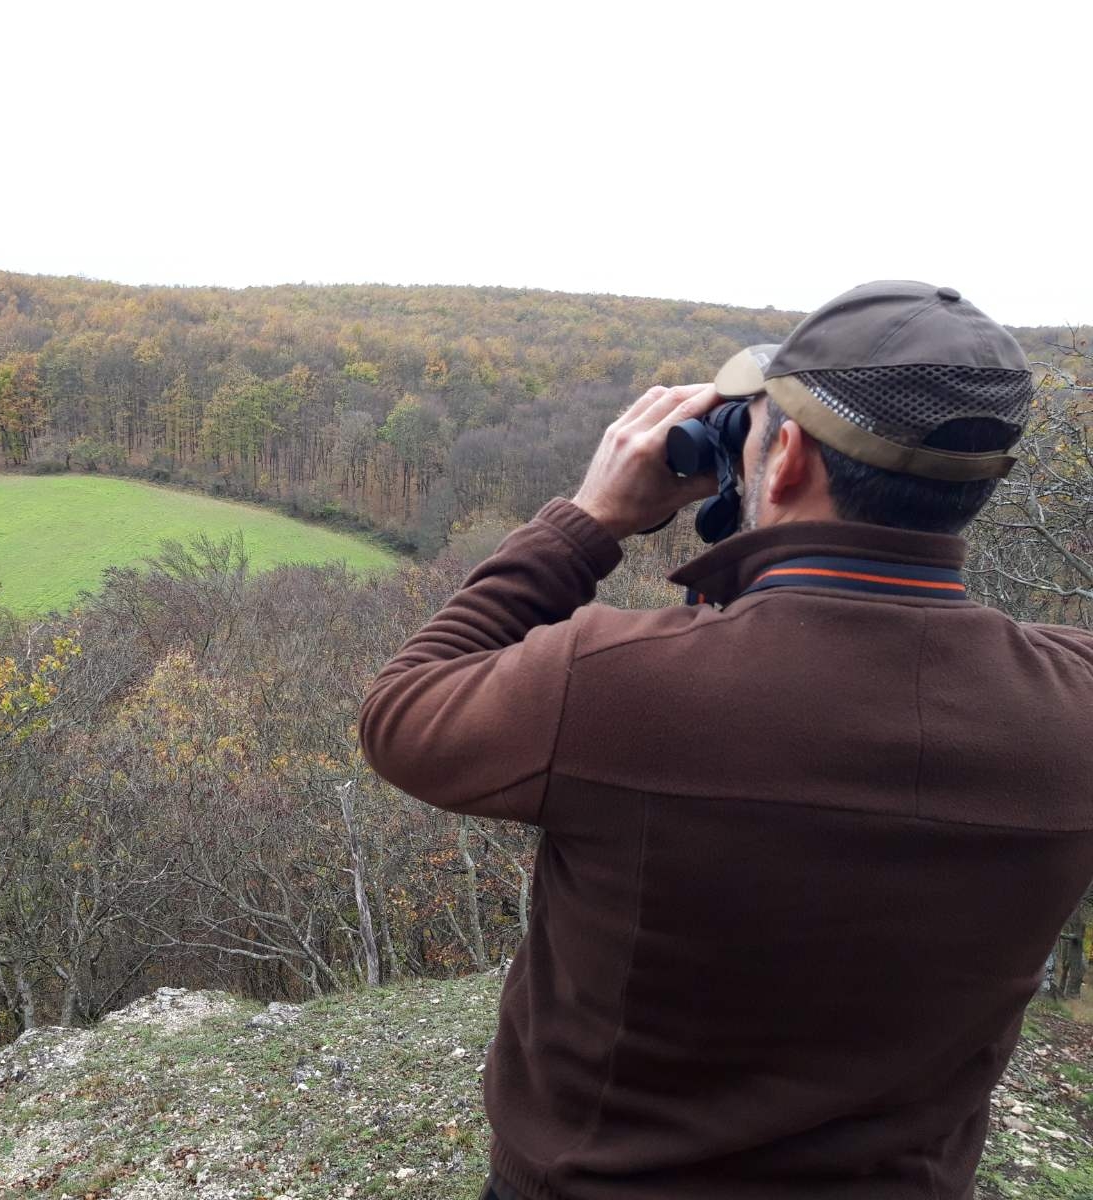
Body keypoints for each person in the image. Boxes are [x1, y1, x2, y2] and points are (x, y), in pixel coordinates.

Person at [358, 281, 1093, 1200]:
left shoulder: (612, 684)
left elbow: (402, 711)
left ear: (782, 459)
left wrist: (587, 521)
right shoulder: (1073, 707)